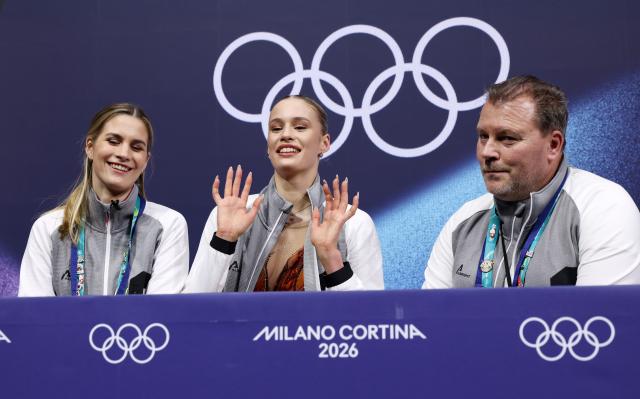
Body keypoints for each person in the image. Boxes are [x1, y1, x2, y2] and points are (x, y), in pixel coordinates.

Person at [423, 75, 640, 288]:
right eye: (483, 136)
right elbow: (428, 321)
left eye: (507, 138)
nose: (487, 152)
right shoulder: (463, 222)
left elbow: (599, 320)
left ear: (553, 145)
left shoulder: (603, 208)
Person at [185, 95, 383, 292]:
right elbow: (191, 307)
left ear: (324, 143)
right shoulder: (232, 215)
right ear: (268, 147)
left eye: (300, 127)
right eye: (276, 128)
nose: (285, 134)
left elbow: (372, 316)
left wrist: (332, 260)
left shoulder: (352, 223)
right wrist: (224, 238)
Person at [19, 103, 189, 296]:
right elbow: (35, 319)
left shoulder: (168, 225)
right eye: (114, 141)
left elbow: (162, 316)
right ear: (90, 147)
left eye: (136, 147)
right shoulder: (48, 228)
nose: (124, 154)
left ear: (145, 161)